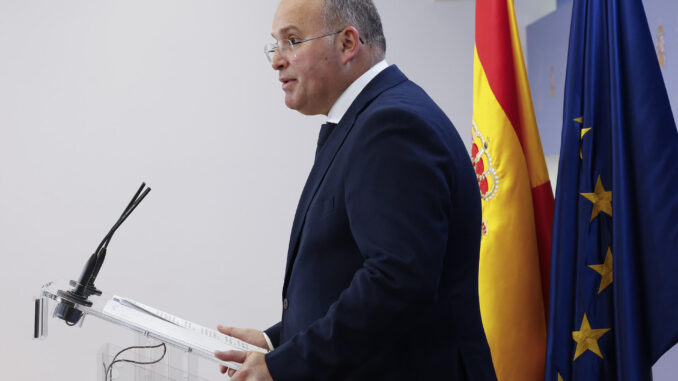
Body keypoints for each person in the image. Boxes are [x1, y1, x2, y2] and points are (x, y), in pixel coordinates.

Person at [215, 0, 497, 380]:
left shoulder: (391, 126)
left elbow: (396, 285)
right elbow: (347, 279)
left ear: (348, 43)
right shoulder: (370, 119)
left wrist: (285, 366)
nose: (277, 61)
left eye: (292, 41)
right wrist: (276, 343)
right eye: (275, 45)